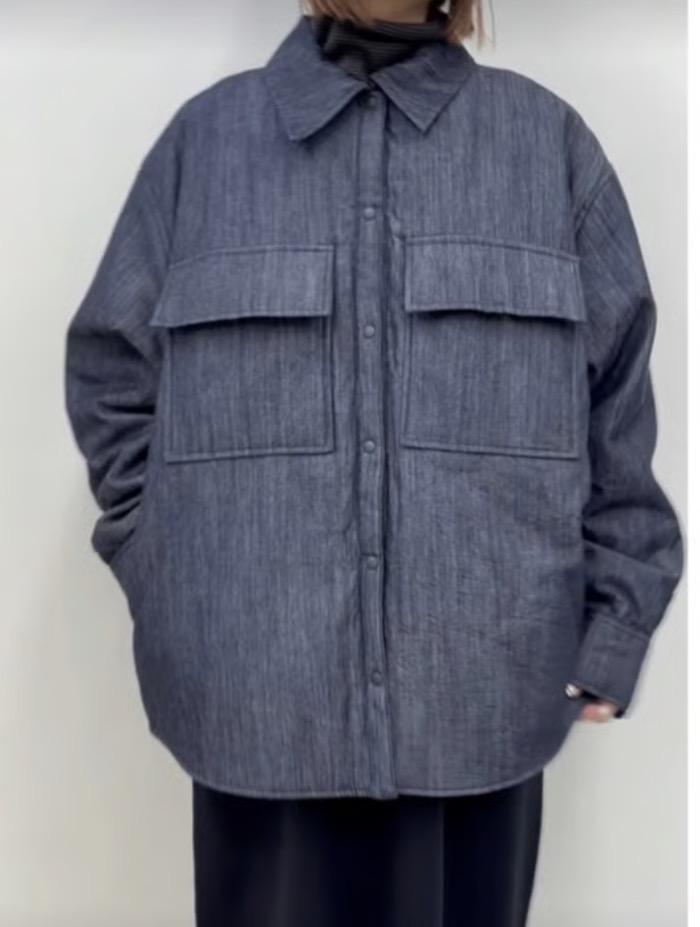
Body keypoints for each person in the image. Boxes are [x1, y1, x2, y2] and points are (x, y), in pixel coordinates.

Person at [63, 1, 685, 924]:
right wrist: (166, 560)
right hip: (258, 711)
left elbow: (617, 406)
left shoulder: (546, 146)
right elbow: (112, 377)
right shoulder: (205, 145)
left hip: (481, 708)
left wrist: (615, 625)